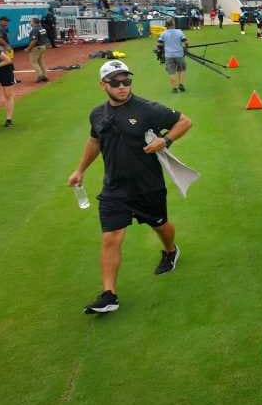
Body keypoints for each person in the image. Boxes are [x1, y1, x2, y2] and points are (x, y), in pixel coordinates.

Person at [68, 60, 192, 315]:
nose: (123, 87)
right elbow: (94, 142)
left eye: (127, 81)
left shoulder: (147, 109)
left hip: (148, 186)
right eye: (116, 82)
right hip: (114, 189)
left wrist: (165, 140)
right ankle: (109, 294)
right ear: (103, 85)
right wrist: (80, 170)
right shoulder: (97, 114)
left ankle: (170, 250)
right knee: (111, 238)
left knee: (161, 225)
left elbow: (184, 121)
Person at [159, 19, 188, 93]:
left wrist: (160, 51)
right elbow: (185, 42)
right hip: (179, 54)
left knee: (171, 72)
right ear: (173, 24)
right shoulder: (179, 31)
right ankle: (180, 84)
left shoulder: (163, 33)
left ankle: (174, 88)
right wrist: (185, 48)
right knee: (181, 69)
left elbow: (159, 44)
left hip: (168, 55)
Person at [26, 15, 53, 83]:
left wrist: (28, 48)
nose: (30, 23)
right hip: (43, 46)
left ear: (34, 22)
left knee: (34, 62)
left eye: (31, 22)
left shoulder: (35, 29)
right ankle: (45, 75)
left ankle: (40, 75)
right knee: (41, 62)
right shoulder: (42, 28)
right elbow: (46, 37)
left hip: (37, 47)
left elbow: (34, 40)